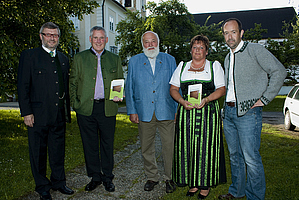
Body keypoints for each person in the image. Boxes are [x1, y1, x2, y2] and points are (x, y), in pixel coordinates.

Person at [219, 18, 287, 200]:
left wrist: (265, 98)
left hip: (249, 113)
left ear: (241, 33)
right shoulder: (227, 57)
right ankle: (237, 191)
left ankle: (255, 197)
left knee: (251, 158)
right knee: (235, 156)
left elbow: (279, 71)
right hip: (230, 113)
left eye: (233, 32)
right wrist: (225, 109)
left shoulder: (255, 50)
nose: (230, 36)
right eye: (226, 33)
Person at [17, 22, 74, 200]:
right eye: (48, 34)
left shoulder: (63, 58)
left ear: (58, 37)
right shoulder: (29, 56)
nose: (52, 38)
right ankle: (42, 186)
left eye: (55, 35)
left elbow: (64, 86)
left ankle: (59, 182)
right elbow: (22, 85)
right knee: (38, 152)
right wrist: (26, 112)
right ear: (41, 36)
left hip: (58, 116)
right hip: (37, 115)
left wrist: (66, 112)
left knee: (58, 151)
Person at [169, 35, 227, 199]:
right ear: (191, 50)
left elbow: (221, 89)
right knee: (187, 147)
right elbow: (173, 89)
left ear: (207, 51)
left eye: (201, 47)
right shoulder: (182, 66)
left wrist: (207, 99)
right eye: (195, 47)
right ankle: (192, 183)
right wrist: (181, 101)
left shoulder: (214, 66)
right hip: (186, 113)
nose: (198, 50)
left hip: (208, 112)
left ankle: (204, 185)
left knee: (206, 148)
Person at [69, 26, 123, 193]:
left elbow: (119, 81)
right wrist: (76, 103)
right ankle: (95, 177)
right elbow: (72, 82)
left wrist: (118, 95)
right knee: (89, 144)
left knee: (107, 144)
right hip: (85, 109)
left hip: (107, 108)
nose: (98, 41)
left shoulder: (114, 58)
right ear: (90, 39)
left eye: (102, 38)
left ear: (106, 40)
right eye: (95, 38)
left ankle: (107, 177)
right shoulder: (79, 58)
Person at [125, 31, 177, 193]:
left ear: (158, 42)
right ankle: (152, 177)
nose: (150, 45)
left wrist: (177, 109)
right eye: (146, 42)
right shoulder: (134, 61)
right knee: (147, 147)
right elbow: (130, 87)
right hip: (144, 111)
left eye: (153, 41)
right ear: (142, 44)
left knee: (169, 146)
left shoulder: (170, 60)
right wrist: (132, 110)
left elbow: (176, 86)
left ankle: (169, 177)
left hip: (166, 110)